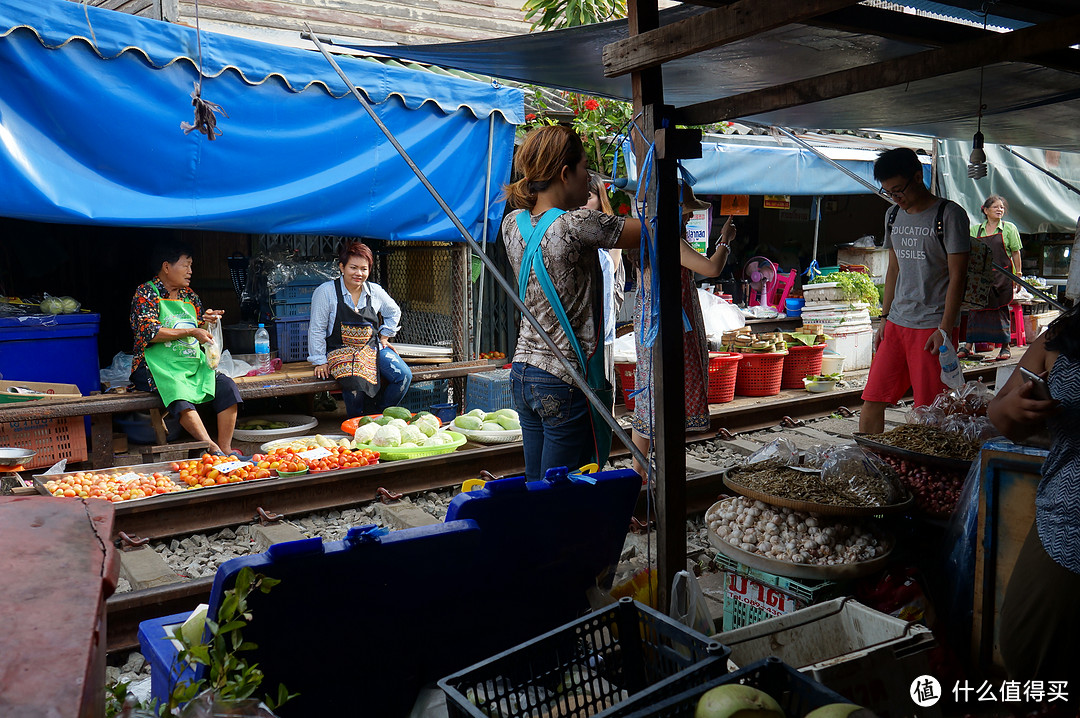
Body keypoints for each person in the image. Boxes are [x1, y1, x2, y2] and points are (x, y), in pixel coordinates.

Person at [503, 125, 640, 481]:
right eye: (584, 169)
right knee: (560, 491)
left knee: (538, 483)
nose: (589, 180)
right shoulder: (577, 225)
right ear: (565, 174)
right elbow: (653, 230)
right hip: (563, 380)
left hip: (522, 372)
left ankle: (536, 537)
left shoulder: (511, 225)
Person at [988, 308, 1077, 698]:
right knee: (1027, 652)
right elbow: (1000, 411)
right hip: (1069, 519)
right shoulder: (1066, 333)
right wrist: (1011, 411)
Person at [859, 148, 970, 435]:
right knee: (872, 399)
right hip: (897, 323)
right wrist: (884, 318)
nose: (896, 198)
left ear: (918, 177)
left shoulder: (950, 215)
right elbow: (893, 269)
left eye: (899, 190)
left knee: (930, 410)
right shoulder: (893, 215)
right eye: (888, 193)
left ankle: (930, 474)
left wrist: (945, 329)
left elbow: (958, 276)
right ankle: (872, 464)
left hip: (932, 327)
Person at [630, 183, 734, 475]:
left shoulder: (647, 237)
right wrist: (725, 242)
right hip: (668, 329)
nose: (689, 218)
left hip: (654, 325)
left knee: (649, 396)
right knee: (663, 395)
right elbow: (712, 269)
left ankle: (639, 471)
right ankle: (659, 468)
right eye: (686, 212)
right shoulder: (669, 241)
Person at [129, 244, 243, 456]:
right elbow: (149, 333)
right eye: (186, 265)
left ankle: (226, 450)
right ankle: (211, 448)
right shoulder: (146, 293)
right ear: (166, 266)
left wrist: (209, 322)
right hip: (154, 367)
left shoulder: (190, 296)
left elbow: (198, 331)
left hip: (190, 362)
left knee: (226, 386)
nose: (190, 271)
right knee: (179, 393)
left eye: (191, 266)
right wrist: (192, 332)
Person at [308, 241, 412, 418]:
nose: (359, 273)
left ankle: (377, 414)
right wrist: (319, 360)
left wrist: (385, 336)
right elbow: (317, 329)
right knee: (355, 382)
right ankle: (356, 420)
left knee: (402, 375)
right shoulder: (325, 292)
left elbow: (394, 311)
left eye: (364, 269)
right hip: (340, 350)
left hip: (371, 348)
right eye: (353, 268)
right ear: (342, 267)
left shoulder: (375, 291)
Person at [958, 195, 1023, 361]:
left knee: (1001, 311)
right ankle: (968, 347)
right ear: (985, 210)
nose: (1000, 210)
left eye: (1002, 207)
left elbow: (1015, 253)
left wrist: (1018, 275)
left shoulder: (1008, 229)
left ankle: (1005, 347)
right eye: (996, 207)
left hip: (1002, 278)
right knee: (975, 311)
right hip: (980, 278)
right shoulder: (975, 230)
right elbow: (969, 253)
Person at [583, 171, 625, 391]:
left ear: (600, 199)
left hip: (601, 327)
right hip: (575, 330)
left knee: (601, 388)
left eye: (588, 196)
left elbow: (612, 268)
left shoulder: (612, 230)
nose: (582, 203)